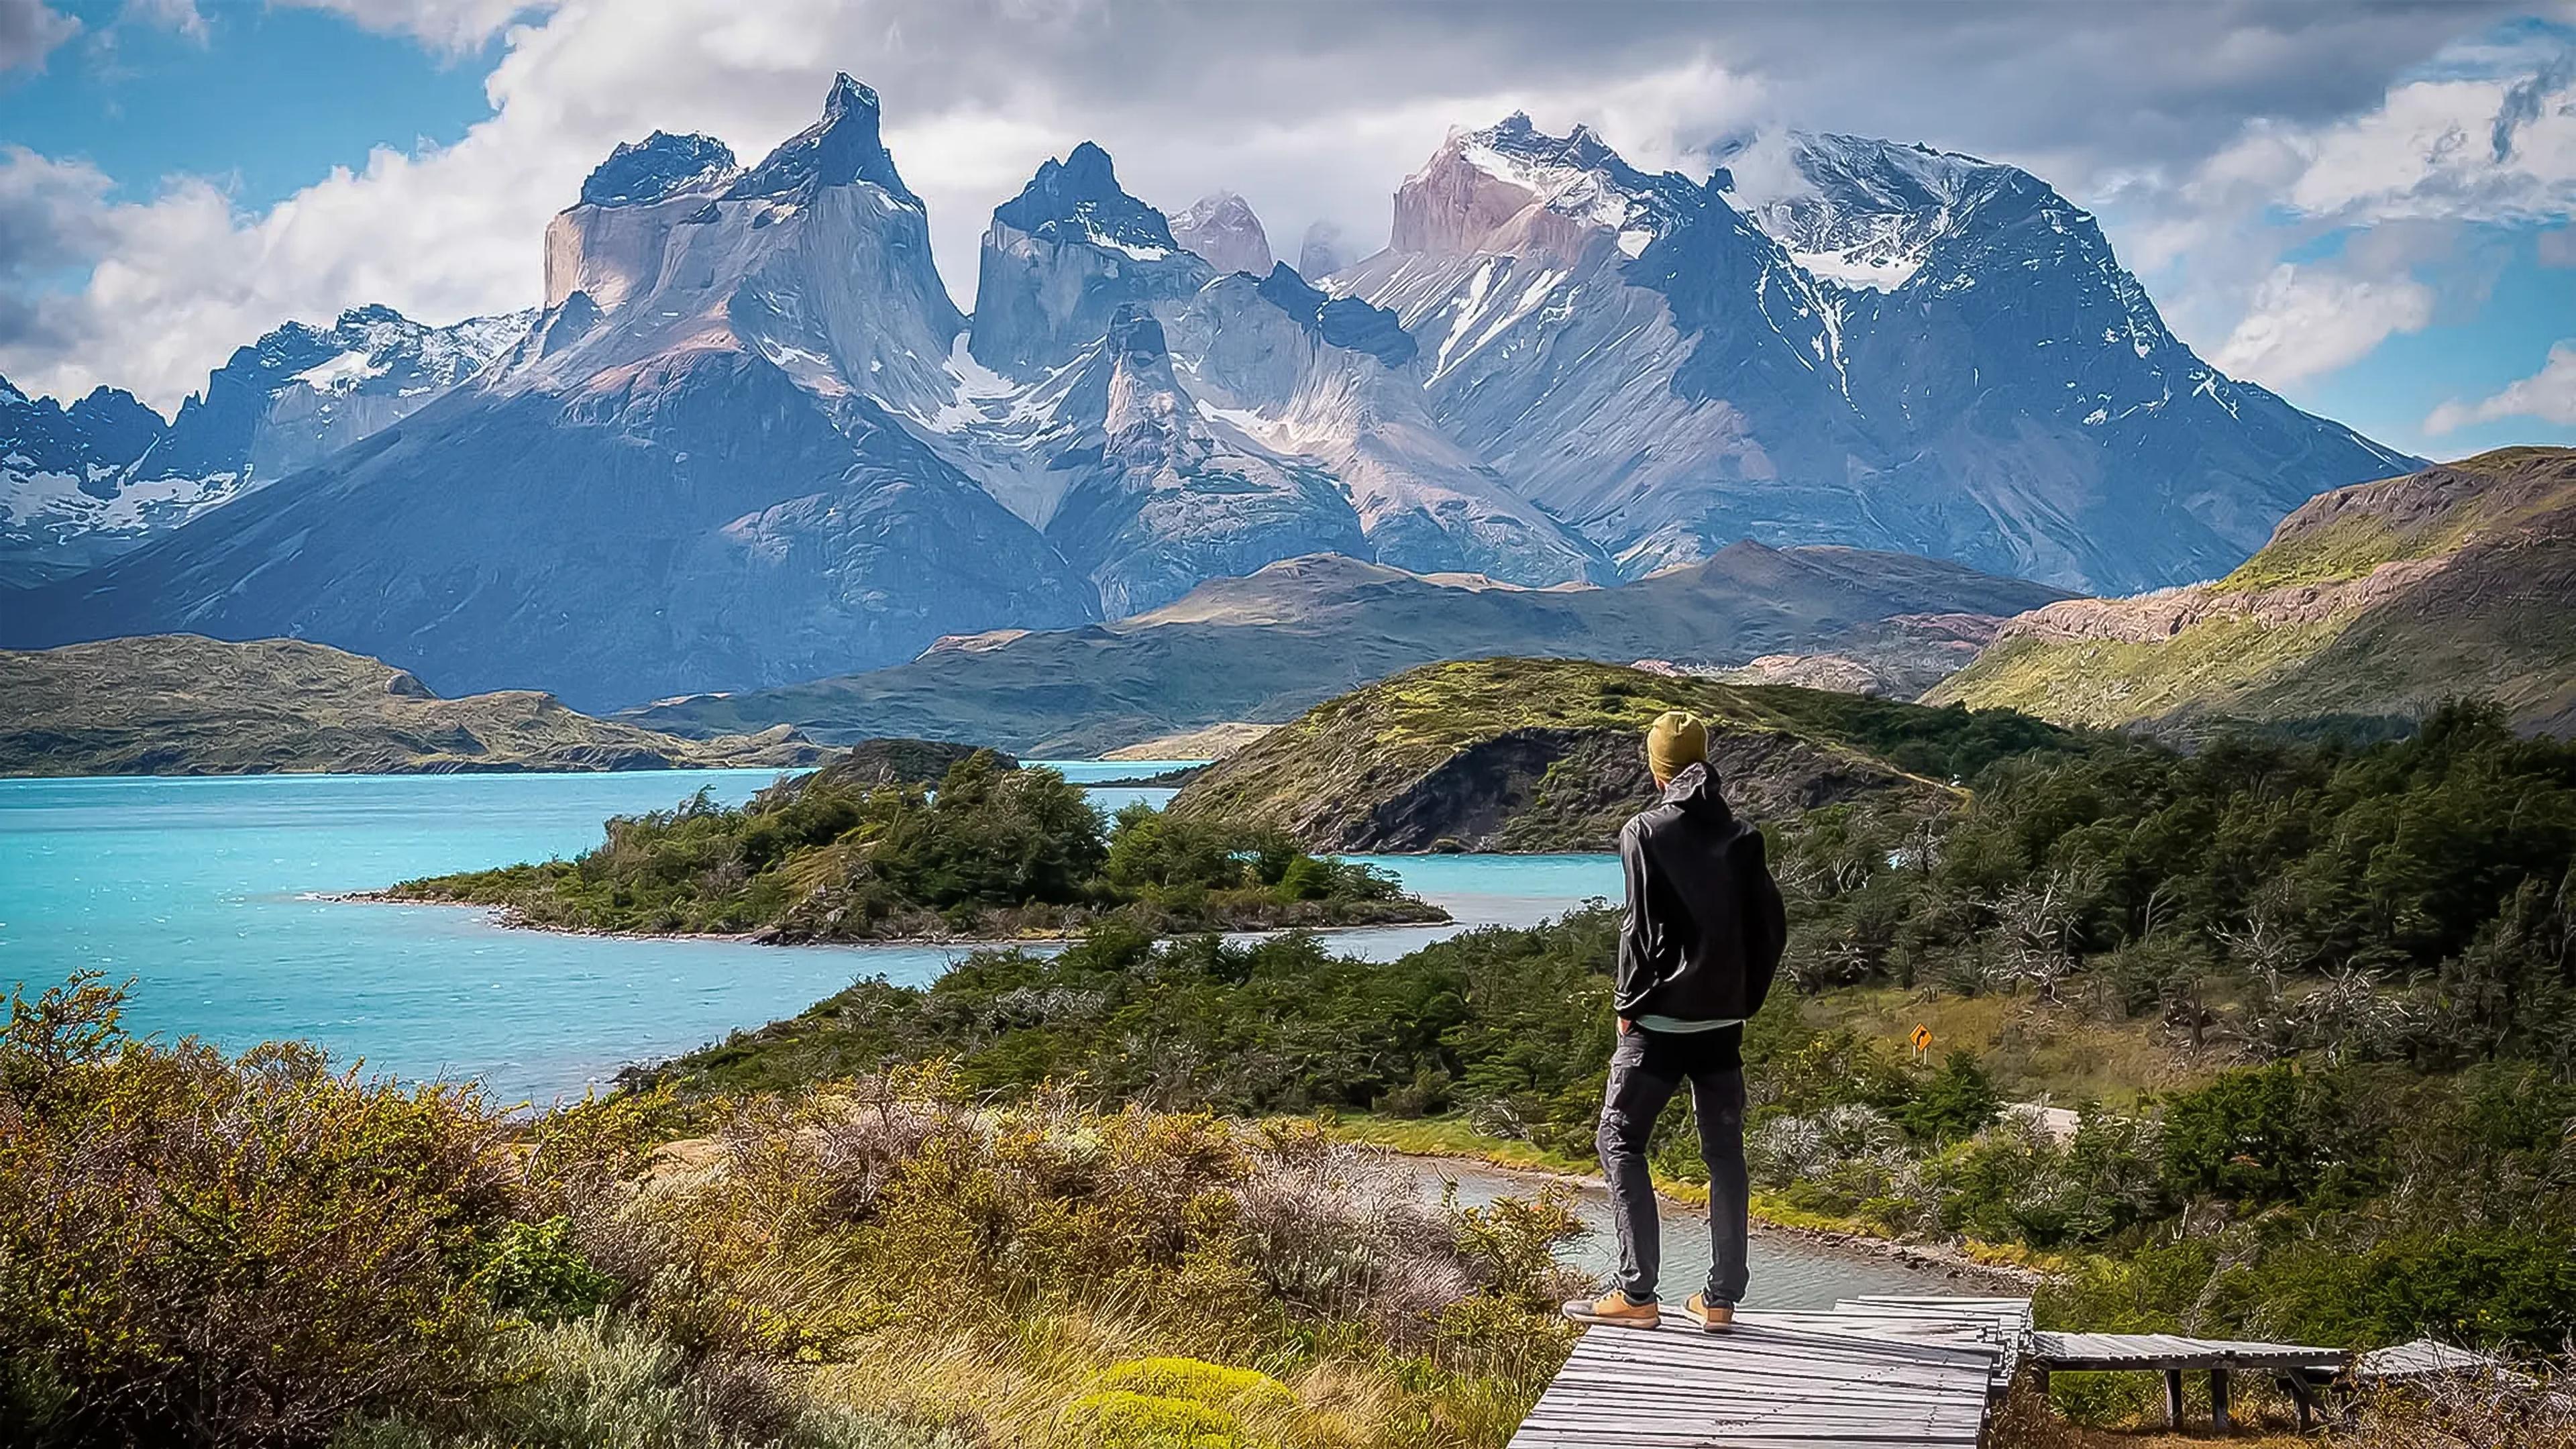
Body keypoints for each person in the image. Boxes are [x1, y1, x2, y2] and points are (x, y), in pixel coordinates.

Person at [1562, 710, 1786, 1334]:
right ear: (1703, 759)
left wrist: (1627, 1006)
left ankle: (1637, 1294)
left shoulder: (1644, 830)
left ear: (1657, 765)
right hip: (1721, 1023)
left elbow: (1639, 926)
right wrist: (1745, 998)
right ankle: (1720, 1299)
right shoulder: (1742, 833)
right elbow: (1771, 926)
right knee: (1725, 1157)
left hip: (1658, 1022)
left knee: (1620, 1141)